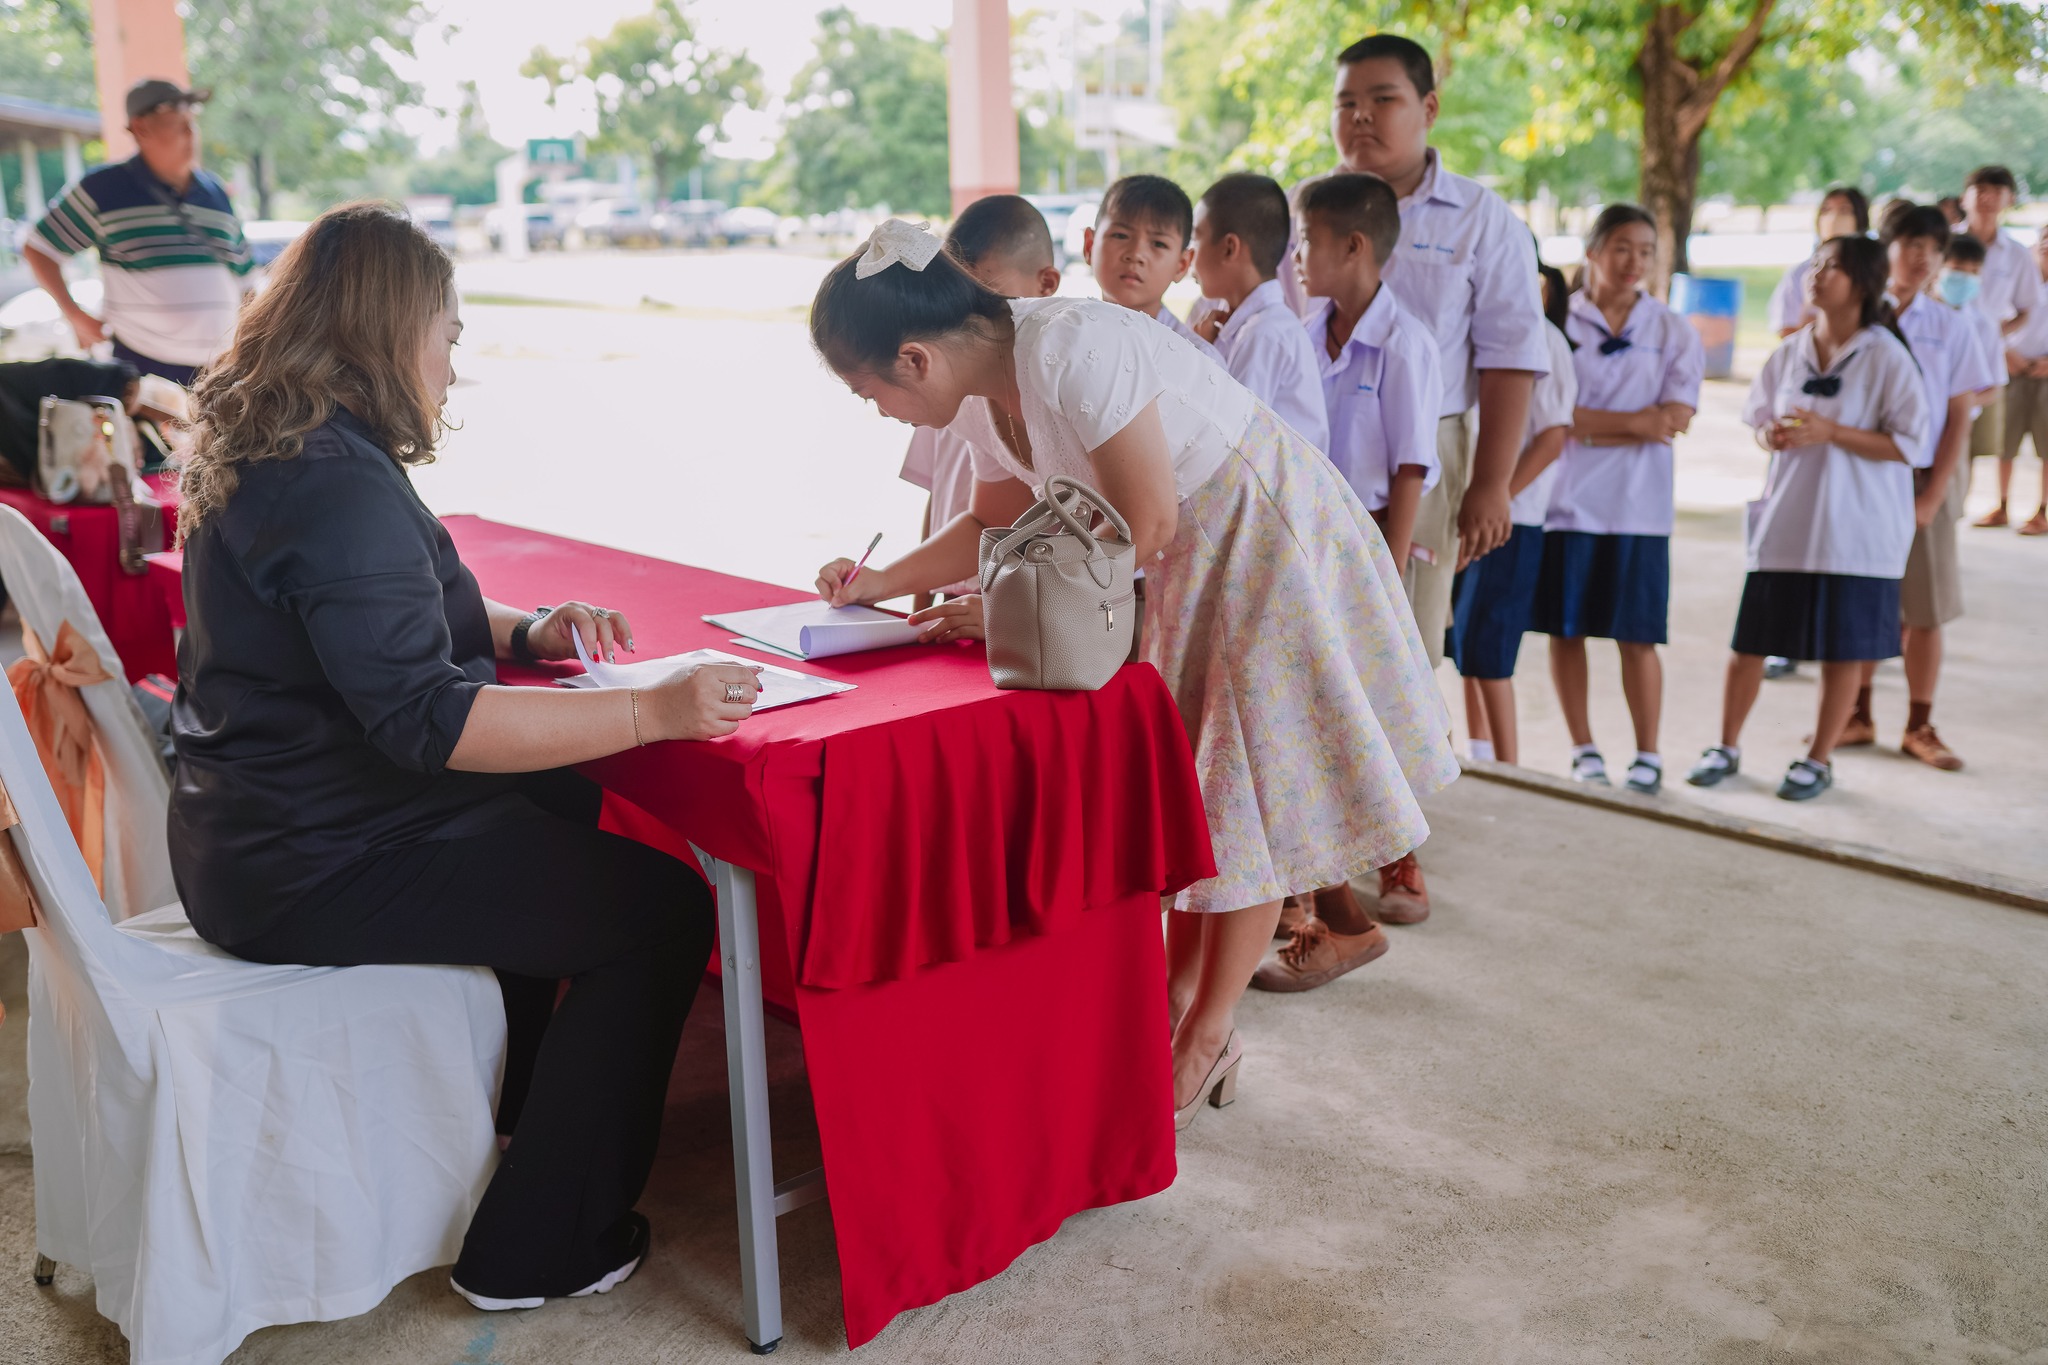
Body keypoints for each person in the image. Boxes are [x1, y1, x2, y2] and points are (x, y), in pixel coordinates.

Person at [169, 203, 766, 1309]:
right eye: (448, 332)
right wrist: (654, 713)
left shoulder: (287, 444)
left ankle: (521, 1119)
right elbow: (431, 724)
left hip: (260, 829)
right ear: (388, 331)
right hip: (314, 863)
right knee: (663, 910)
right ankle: (538, 1245)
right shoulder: (333, 482)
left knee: (558, 793)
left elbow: (385, 611)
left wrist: (521, 630)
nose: (455, 361)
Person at [808, 221, 1456, 1126]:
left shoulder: (1069, 348)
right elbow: (990, 527)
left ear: (912, 359)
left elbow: (1145, 521)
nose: (872, 408)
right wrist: (882, 579)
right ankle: (1166, 1001)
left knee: (1244, 800)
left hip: (1252, 533)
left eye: (864, 389)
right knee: (1196, 795)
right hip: (1188, 564)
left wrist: (1011, 604)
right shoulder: (988, 392)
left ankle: (1208, 1033)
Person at [1279, 33, 1548, 920]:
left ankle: (1397, 852)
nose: (1360, 117)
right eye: (1346, 101)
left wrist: (1492, 484)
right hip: (1310, 462)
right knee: (1309, 651)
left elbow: (1512, 358)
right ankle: (1319, 849)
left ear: (1427, 109)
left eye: (1382, 99)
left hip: (1422, 464)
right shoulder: (1302, 209)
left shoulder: (1481, 219)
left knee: (1399, 648)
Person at [1244, 172, 1443, 980]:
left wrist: (1387, 579)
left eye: (1307, 241)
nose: (1296, 257)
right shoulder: (1301, 328)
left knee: (1377, 712)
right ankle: (1314, 892)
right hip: (1307, 545)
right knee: (1321, 717)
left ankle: (1397, 863)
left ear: (1352, 247)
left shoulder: (1407, 344)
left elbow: (1411, 471)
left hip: (1368, 544)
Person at [1686, 235, 1929, 802]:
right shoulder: (1789, 351)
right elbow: (1759, 419)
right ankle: (1726, 745)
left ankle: (1817, 759)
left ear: (1864, 283)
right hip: (1789, 524)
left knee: (1843, 650)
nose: (1817, 274)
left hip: (1858, 531)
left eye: (1834, 267)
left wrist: (1833, 433)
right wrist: (1769, 434)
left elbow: (1911, 443)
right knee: (1751, 643)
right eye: (1815, 263)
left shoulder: (1886, 355)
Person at [1534, 205, 1704, 796]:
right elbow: (1554, 415)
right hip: (1567, 503)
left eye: (1646, 251)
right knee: (1568, 629)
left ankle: (1648, 753)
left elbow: (1674, 419)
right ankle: (1583, 747)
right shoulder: (1559, 325)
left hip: (1640, 509)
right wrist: (1634, 421)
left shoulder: (1672, 330)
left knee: (1638, 635)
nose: (1635, 262)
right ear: (1593, 251)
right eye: (1622, 248)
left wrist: (1592, 426)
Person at [1825, 205, 1999, 771]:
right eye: (1909, 243)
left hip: (1923, 477)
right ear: (1887, 247)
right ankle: (1857, 712)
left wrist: (1932, 495)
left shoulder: (1951, 325)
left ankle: (1920, 723)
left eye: (1932, 245)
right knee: (1862, 595)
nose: (1921, 255)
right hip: (1859, 472)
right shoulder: (1856, 316)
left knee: (1924, 608)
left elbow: (1958, 417)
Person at [25, 79, 253, 386]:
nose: (191, 134)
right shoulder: (103, 188)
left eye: (192, 124)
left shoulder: (215, 193)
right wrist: (75, 315)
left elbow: (247, 278)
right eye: (178, 124)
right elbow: (39, 249)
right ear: (141, 129)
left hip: (221, 369)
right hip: (144, 369)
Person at [899, 195, 1062, 609]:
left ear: (1047, 285)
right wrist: (894, 587)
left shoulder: (1062, 366)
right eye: (959, 300)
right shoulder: (948, 387)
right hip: (967, 589)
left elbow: (1114, 528)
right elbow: (972, 514)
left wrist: (1009, 612)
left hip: (1045, 596)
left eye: (986, 296)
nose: (968, 317)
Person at [1454, 261, 1577, 767]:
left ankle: (1509, 765)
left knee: (1492, 648)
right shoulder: (1463, 331)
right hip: (1460, 513)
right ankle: (1479, 751)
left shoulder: (1545, 340)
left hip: (1511, 518)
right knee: (1463, 645)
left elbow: (1553, 435)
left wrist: (1499, 494)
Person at [1188, 172, 1328, 451]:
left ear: (1229, 248)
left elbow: (1227, 438)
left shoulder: (1264, 333)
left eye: (1196, 238)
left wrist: (1199, 351)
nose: (1189, 254)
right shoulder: (1248, 324)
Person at [1957, 167, 2040, 527]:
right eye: (1980, 189)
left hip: (1989, 362)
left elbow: (2027, 307)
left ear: (2009, 199)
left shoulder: (2017, 255)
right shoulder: (1945, 241)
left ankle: (1956, 509)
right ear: (1966, 196)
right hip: (1945, 354)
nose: (1988, 197)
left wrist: (1997, 340)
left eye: (1997, 190)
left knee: (1977, 442)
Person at [1082, 174, 1222, 362]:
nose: (1136, 254)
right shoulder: (1061, 334)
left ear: (1182, 265)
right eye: (1121, 235)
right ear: (1089, 246)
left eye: (1158, 244)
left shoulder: (1197, 359)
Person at [1987, 224, 2048, 534]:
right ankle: (2001, 505)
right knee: (2004, 442)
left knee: (2046, 447)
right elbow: (1999, 317)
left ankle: (2041, 511)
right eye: (2044, 239)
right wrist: (2008, 355)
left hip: (2044, 374)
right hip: (2011, 369)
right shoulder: (2021, 277)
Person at [1769, 186, 1869, 339]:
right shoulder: (1800, 274)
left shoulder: (1873, 271)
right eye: (1826, 210)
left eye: (1844, 210)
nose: (1834, 218)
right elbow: (1787, 330)